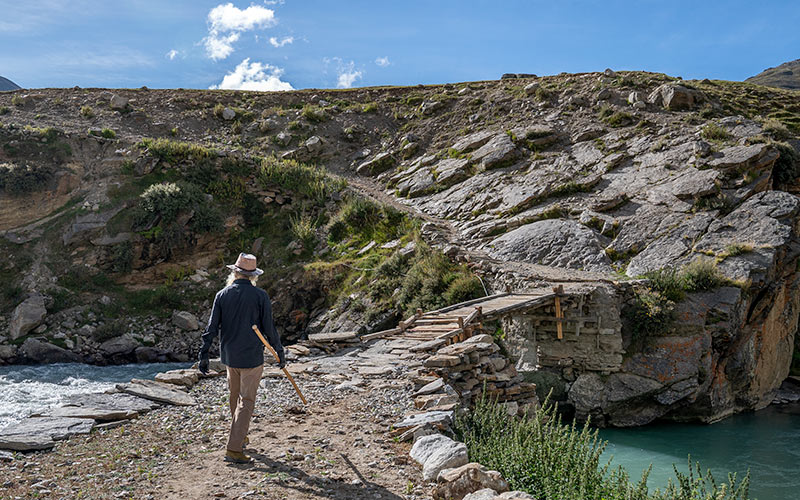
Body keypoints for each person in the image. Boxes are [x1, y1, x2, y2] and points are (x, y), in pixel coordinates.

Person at [198, 253, 286, 464]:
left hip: (229, 355)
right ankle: (234, 449)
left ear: (235, 272)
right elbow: (269, 328)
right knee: (246, 401)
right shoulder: (260, 295)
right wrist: (279, 351)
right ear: (252, 275)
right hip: (251, 357)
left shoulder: (222, 295)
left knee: (234, 396)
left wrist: (204, 354)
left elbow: (211, 328)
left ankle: (240, 435)